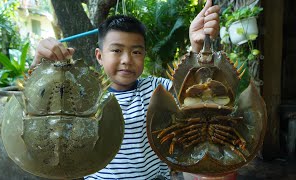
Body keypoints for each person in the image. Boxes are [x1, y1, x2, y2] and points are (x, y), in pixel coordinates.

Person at [32, 0, 220, 179]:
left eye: (136, 52)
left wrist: (197, 48)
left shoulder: (156, 88)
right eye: (116, 50)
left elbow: (195, 92)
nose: (127, 60)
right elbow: (38, 110)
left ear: (144, 55)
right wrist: (40, 67)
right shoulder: (84, 95)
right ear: (99, 56)